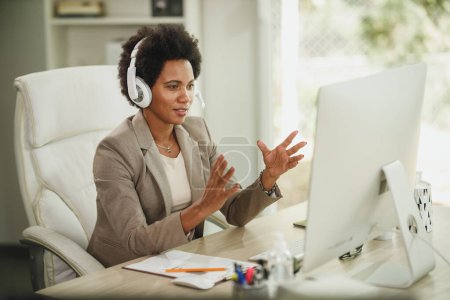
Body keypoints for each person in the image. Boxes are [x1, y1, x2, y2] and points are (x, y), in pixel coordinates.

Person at [87, 24, 307, 267]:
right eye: (173, 86)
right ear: (141, 91)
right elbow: (136, 240)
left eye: (190, 85)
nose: (186, 97)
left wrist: (269, 177)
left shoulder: (197, 132)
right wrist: (200, 210)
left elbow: (236, 212)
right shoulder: (114, 152)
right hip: (125, 270)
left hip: (181, 262)